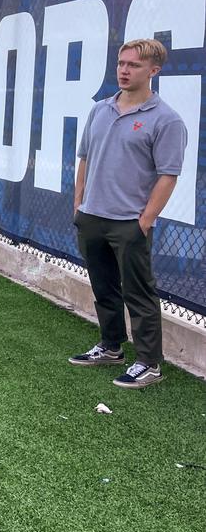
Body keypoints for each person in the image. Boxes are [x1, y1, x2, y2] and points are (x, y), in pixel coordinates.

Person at [70, 39, 187, 389]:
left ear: (154, 71)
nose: (123, 70)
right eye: (121, 63)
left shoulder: (167, 120)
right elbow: (85, 158)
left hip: (129, 223)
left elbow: (169, 175)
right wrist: (78, 203)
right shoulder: (100, 110)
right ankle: (110, 347)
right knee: (103, 286)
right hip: (92, 217)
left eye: (133, 65)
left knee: (139, 293)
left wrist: (145, 220)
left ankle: (149, 363)